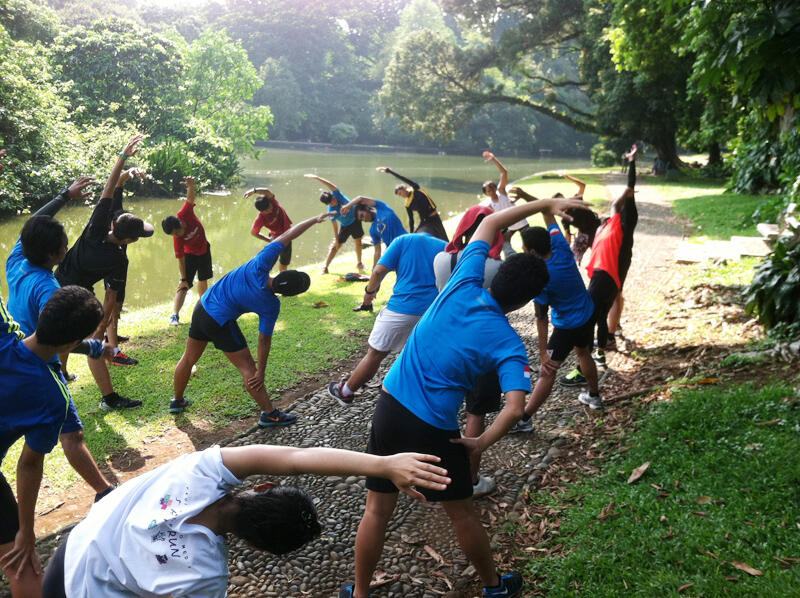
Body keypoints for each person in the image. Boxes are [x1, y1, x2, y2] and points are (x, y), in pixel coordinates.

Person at [340, 197, 587, 598]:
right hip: (432, 430)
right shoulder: (508, 344)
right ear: (526, 301)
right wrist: (480, 442)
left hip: (388, 405)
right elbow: (515, 407)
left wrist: (545, 202)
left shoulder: (462, 281)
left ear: (498, 271)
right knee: (461, 513)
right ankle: (493, 588)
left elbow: (489, 224)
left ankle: (360, 593)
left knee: (377, 510)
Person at [41, 445, 451, 598]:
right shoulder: (206, 575)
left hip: (72, 550)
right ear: (257, 545)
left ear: (263, 487)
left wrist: (382, 463)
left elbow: (296, 458)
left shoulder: (201, 471)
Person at [6, 177, 118, 504]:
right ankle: (104, 493)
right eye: (65, 244)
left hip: (19, 355)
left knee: (73, 432)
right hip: (42, 367)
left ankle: (103, 491)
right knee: (66, 433)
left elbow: (32, 224)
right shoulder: (49, 291)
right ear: (57, 254)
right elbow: (57, 339)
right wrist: (98, 346)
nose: (68, 247)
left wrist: (64, 196)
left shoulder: (16, 261)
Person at [170, 213, 329, 426]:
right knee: (248, 370)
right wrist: (260, 371)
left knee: (188, 358)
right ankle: (270, 414)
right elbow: (264, 340)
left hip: (203, 306)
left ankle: (177, 401)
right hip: (219, 320)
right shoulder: (271, 305)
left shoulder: (261, 262)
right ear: (289, 294)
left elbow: (289, 234)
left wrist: (313, 219)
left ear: (283, 274)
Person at [0, 287, 104, 598]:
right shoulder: (53, 397)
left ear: (42, 314)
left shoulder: (4, 332)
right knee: (23, 566)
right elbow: (29, 464)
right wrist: (27, 533)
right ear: (73, 344)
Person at [54, 134, 152, 409]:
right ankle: (109, 398)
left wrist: (122, 156)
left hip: (55, 284)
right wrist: (100, 328)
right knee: (92, 347)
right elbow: (111, 299)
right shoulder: (119, 261)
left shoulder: (97, 227)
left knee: (62, 336)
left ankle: (62, 375)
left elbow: (109, 188)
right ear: (130, 240)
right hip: (78, 296)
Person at [431, 205, 505, 498]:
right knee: (475, 413)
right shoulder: (497, 267)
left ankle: (435, 474)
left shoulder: (441, 259)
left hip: (443, 344)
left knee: (440, 411)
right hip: (481, 350)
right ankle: (470, 480)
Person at [508, 198, 602, 419]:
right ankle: (594, 395)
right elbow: (549, 217)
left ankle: (525, 418)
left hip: (567, 326)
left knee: (547, 371)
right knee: (583, 352)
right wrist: (547, 207)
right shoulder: (560, 246)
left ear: (531, 251)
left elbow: (541, 318)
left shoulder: (541, 277)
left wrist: (542, 353)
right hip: (588, 313)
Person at [327, 233, 446, 406]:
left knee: (375, 354)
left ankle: (345, 391)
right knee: (417, 353)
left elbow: (378, 270)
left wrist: (369, 293)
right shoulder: (445, 246)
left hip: (402, 309)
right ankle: (414, 395)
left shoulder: (403, 240)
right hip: (433, 311)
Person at [561, 145, 638, 388]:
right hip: (603, 277)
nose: (611, 212)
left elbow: (620, 203)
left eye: (618, 212)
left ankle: (582, 371)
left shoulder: (619, 229)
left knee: (586, 321)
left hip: (605, 278)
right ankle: (601, 353)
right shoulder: (610, 228)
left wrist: (627, 191)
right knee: (600, 317)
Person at [161, 176, 213, 327]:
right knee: (183, 285)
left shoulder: (185, 214)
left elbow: (190, 198)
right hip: (190, 256)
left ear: (180, 224)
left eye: (177, 233)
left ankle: (204, 310)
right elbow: (181, 260)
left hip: (204, 250)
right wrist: (184, 278)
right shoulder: (177, 239)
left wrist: (191, 185)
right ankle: (174, 316)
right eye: (173, 235)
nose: (176, 237)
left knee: (203, 280)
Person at [304, 173, 365, 273]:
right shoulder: (331, 210)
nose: (334, 202)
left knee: (358, 242)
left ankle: (359, 263)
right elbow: (335, 226)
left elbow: (329, 184)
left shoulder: (337, 194)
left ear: (333, 195)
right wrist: (337, 240)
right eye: (331, 203)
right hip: (345, 226)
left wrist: (317, 178)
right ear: (327, 204)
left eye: (333, 199)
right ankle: (325, 267)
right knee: (335, 247)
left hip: (355, 220)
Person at [376, 166, 448, 241]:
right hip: (424, 221)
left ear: (404, 188)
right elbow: (411, 219)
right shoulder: (407, 204)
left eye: (400, 193)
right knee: (415, 237)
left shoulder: (416, 189)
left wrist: (390, 172)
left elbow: (403, 178)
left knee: (443, 238)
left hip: (434, 217)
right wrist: (411, 232)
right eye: (399, 195)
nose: (401, 196)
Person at [480, 151, 528, 258]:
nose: (491, 191)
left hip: (521, 222)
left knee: (528, 245)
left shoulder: (501, 191)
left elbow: (504, 172)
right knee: (505, 246)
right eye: (488, 190)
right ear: (486, 193)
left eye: (492, 187)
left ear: (495, 187)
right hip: (509, 227)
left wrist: (494, 159)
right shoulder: (490, 206)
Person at [339, 195, 407, 270]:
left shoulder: (382, 208)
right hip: (395, 252)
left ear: (366, 208)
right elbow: (377, 251)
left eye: (362, 215)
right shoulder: (372, 230)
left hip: (406, 242)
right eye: (361, 219)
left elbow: (361, 198)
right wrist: (374, 269)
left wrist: (347, 206)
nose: (363, 219)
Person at [553, 171, 601, 266]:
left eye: (563, 198)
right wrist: (564, 249)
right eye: (560, 201)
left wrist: (567, 177)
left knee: (600, 253)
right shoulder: (564, 219)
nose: (563, 201)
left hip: (598, 227)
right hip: (584, 235)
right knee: (572, 258)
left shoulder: (575, 201)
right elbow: (568, 237)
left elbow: (582, 186)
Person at [247, 187, 293, 272]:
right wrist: (269, 240)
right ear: (262, 211)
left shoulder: (273, 201)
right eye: (267, 210)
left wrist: (254, 191)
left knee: (284, 262)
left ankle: (282, 279)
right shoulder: (260, 219)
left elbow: (266, 191)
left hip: (287, 235)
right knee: (269, 263)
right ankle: (264, 280)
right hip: (275, 239)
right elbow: (254, 233)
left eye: (270, 207)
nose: (271, 210)